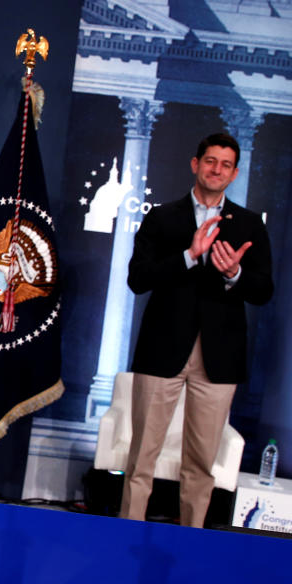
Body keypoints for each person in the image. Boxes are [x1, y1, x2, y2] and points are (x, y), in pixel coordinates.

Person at [121, 132, 273, 527]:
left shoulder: (250, 224)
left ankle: (190, 543)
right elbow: (138, 279)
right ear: (195, 164)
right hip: (163, 350)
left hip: (219, 359)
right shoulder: (162, 217)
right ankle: (124, 538)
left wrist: (234, 273)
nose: (216, 169)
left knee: (201, 464)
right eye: (210, 161)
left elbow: (263, 290)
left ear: (235, 173)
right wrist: (189, 256)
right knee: (141, 460)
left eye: (225, 164)